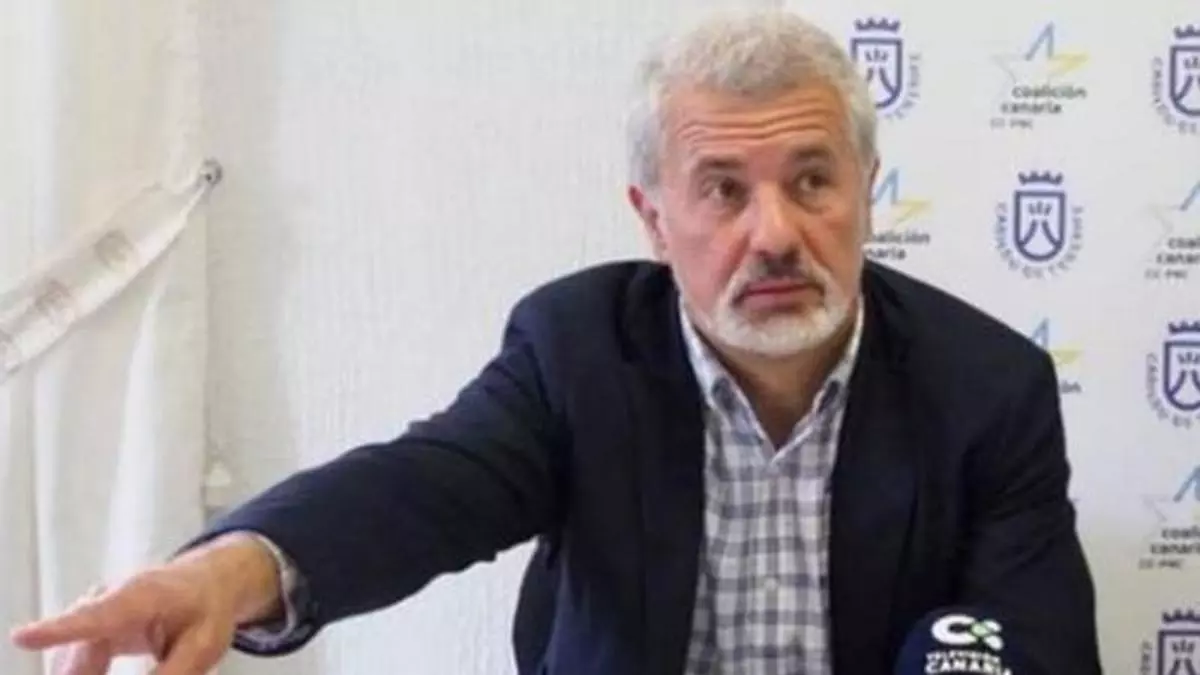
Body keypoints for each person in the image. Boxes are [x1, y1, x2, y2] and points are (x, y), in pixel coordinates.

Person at [10, 10, 1103, 675]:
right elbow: (422, 488)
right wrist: (233, 570)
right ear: (653, 219)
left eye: (812, 180)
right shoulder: (577, 350)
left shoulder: (989, 387)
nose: (774, 232)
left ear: (866, 192)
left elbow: (1031, 636)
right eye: (723, 190)